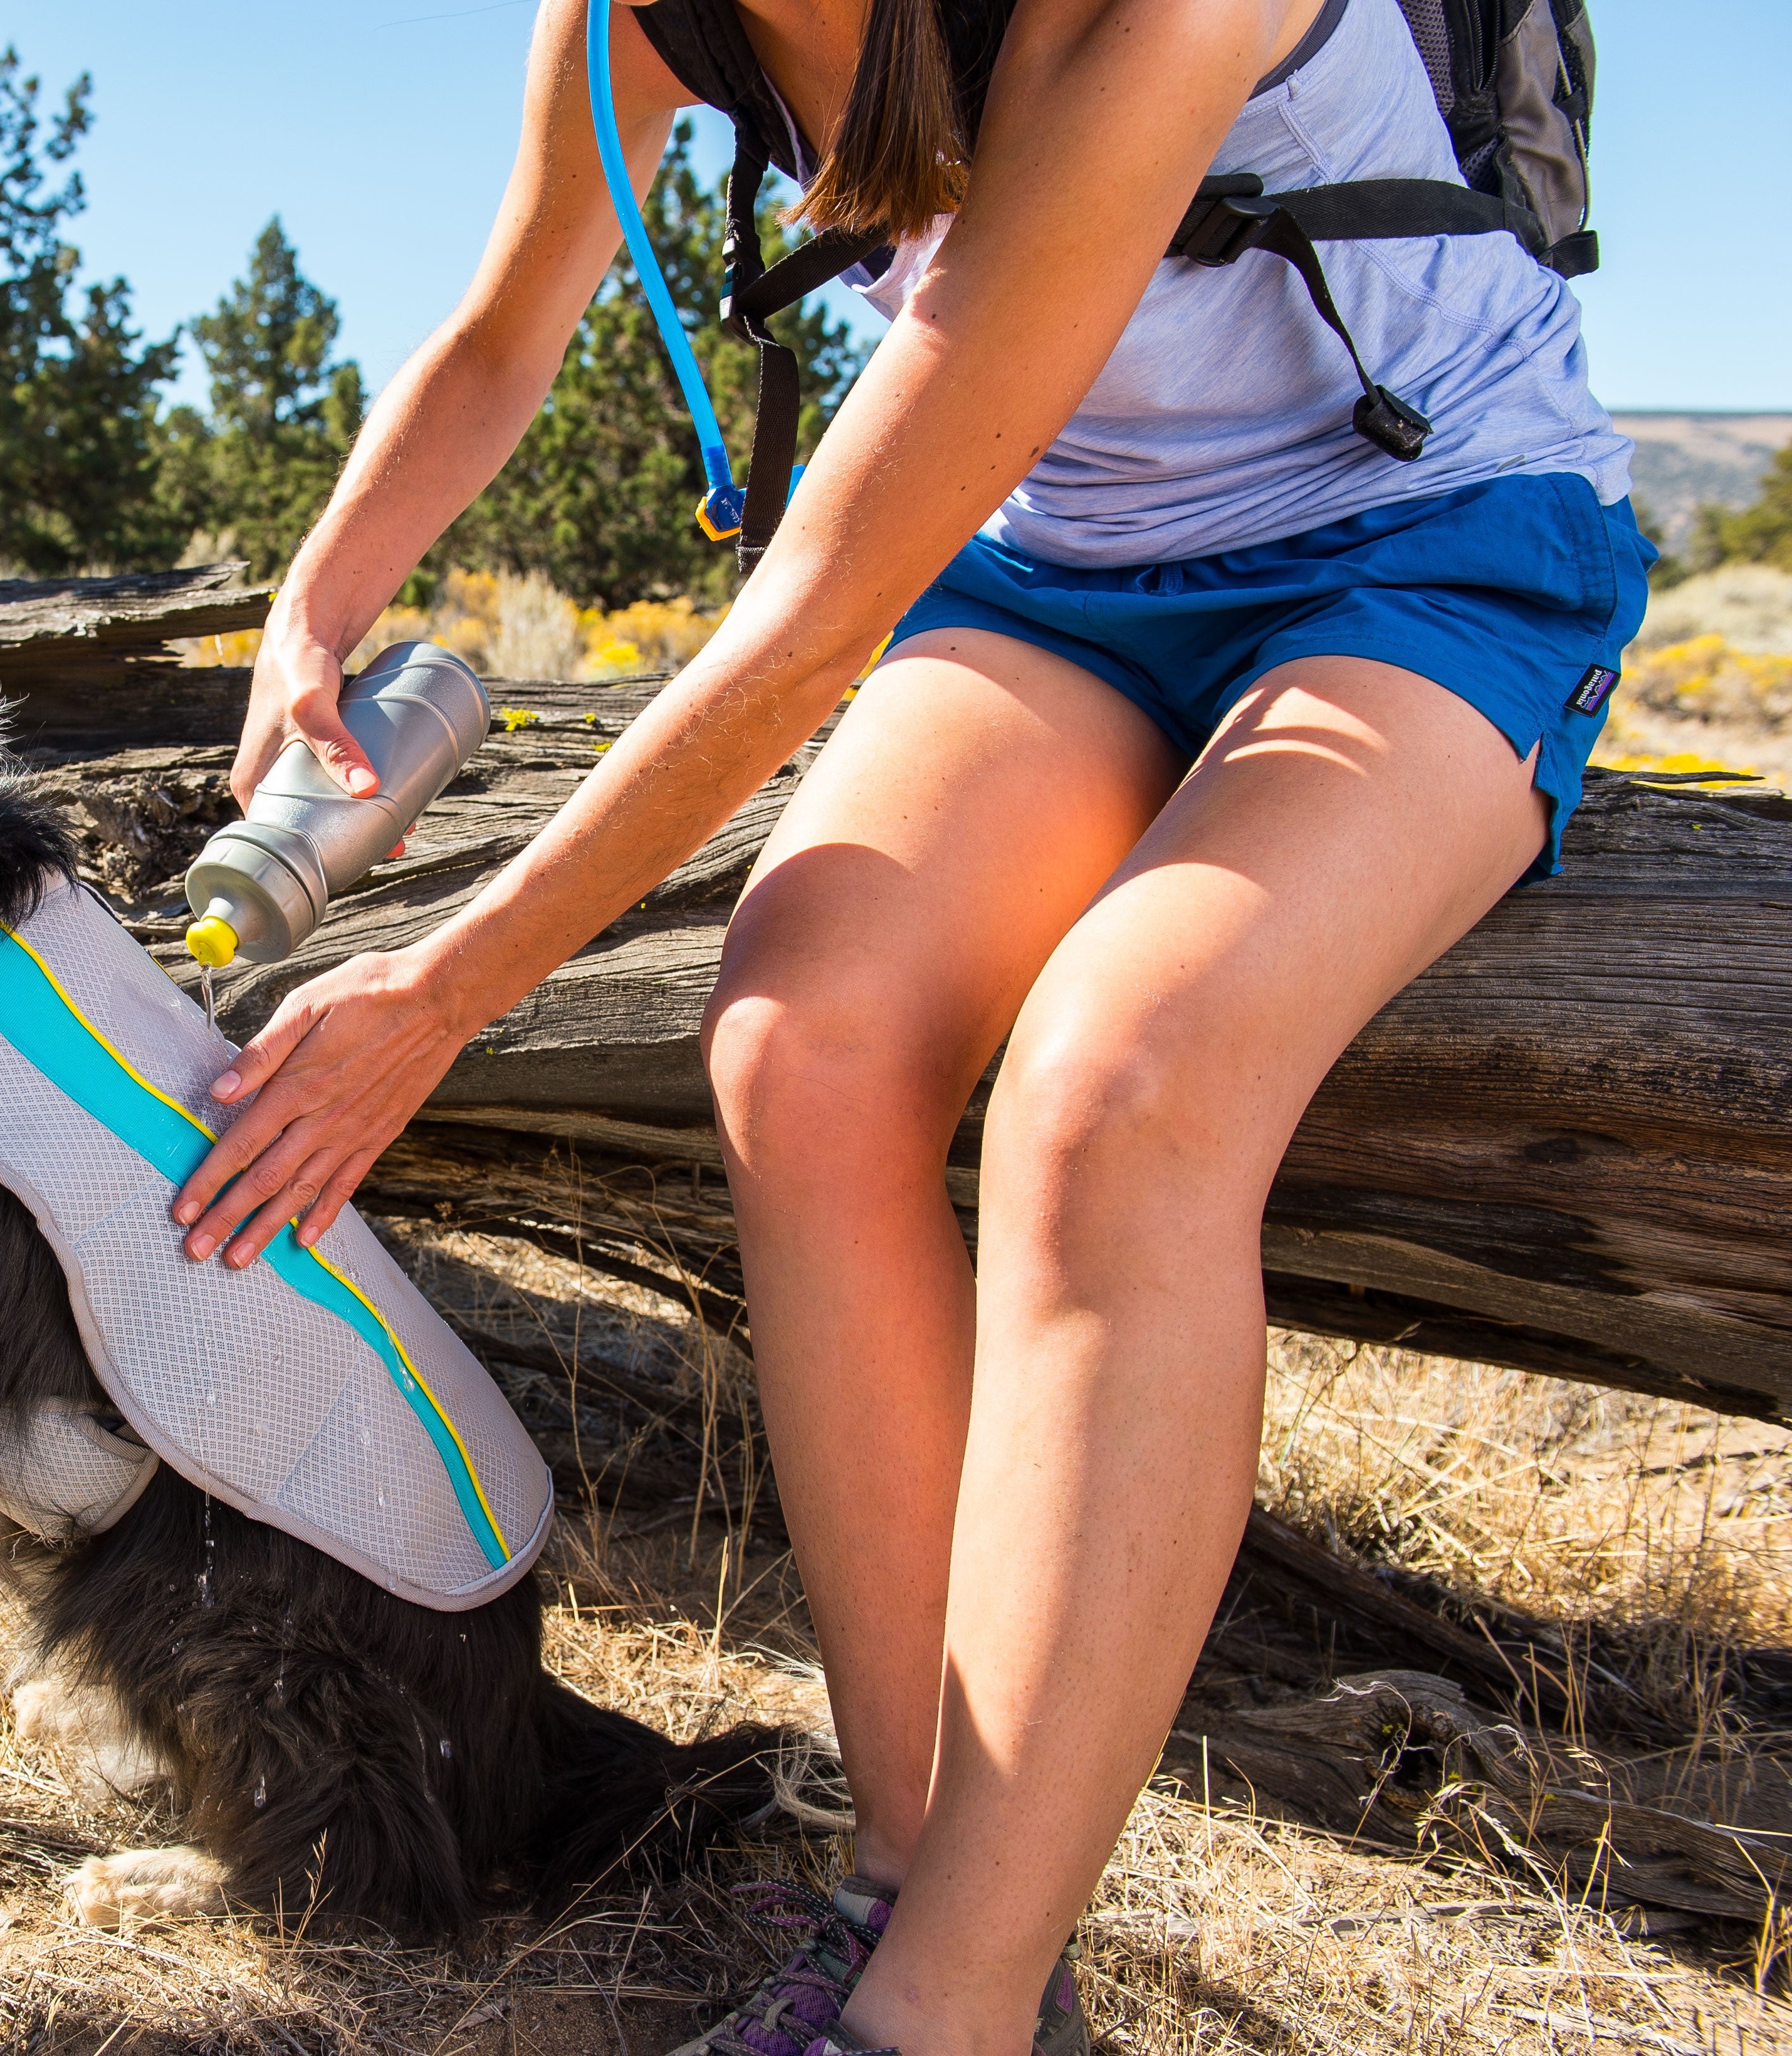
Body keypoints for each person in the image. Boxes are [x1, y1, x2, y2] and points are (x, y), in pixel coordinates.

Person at [170, 2, 1647, 2053]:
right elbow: (507, 331)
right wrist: (316, 608)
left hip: (1429, 541)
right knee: (797, 1042)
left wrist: (444, 986)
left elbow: (805, 631)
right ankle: (905, 1875)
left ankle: (937, 2016)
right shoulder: (631, 23)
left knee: (1115, 1087)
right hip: (1061, 573)